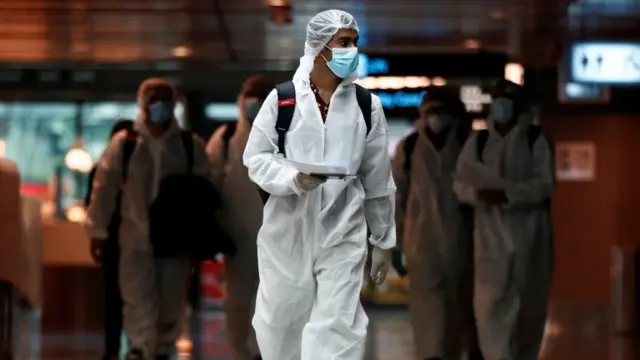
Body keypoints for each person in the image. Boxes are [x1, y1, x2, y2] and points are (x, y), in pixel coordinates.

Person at [242, 9, 396, 360]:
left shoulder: (365, 105)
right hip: (288, 230)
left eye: (354, 43)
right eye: (343, 43)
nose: (351, 50)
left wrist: (383, 238)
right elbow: (256, 157)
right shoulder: (283, 100)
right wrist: (292, 178)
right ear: (320, 46)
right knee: (280, 322)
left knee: (339, 325)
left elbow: (378, 178)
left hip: (344, 228)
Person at [85, 78, 215, 360]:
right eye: (155, 98)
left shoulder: (188, 145)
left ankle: (163, 348)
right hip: (135, 238)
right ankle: (140, 348)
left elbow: (206, 191)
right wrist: (97, 231)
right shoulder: (125, 144)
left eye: (166, 98)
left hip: (175, 240)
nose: (161, 105)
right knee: (137, 299)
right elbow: (103, 189)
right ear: (142, 104)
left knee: (170, 301)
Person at [453, 80, 554, 360]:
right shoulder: (479, 142)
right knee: (490, 307)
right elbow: (460, 185)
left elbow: (545, 185)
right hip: (490, 240)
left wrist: (508, 195)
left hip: (530, 237)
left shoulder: (535, 140)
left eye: (505, 98)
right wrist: (479, 194)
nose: (499, 104)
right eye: (495, 98)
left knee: (527, 309)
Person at [392, 89, 480, 360]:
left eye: (441, 110)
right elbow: (398, 198)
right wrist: (396, 244)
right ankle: (431, 354)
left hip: (462, 241)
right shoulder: (408, 149)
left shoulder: (469, 145)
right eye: (432, 111)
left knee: (458, 306)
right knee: (426, 306)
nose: (436, 117)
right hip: (421, 244)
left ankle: (453, 352)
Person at [206, 75, 275, 360]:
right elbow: (210, 187)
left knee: (278, 303)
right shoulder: (224, 141)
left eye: (262, 96)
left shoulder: (291, 136)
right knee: (239, 301)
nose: (256, 103)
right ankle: (243, 352)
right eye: (251, 96)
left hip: (282, 241)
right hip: (239, 240)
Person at [85, 119, 134, 360]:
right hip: (120, 240)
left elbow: (91, 203)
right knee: (124, 296)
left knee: (115, 297)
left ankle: (115, 348)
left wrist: (97, 237)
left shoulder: (100, 169)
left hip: (116, 240)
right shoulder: (105, 169)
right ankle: (128, 347)